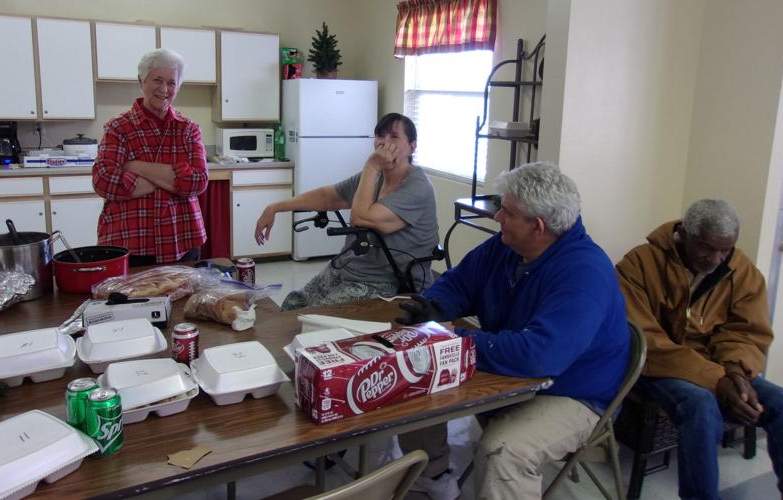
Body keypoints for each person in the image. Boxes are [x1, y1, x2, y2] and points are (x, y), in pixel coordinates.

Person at [395, 162, 629, 500]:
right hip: (519, 370)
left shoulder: (584, 273)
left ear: (537, 226)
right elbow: (461, 282)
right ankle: (433, 476)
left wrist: (454, 340)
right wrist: (435, 308)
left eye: (506, 211)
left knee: (504, 450)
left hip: (573, 392)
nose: (497, 217)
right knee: (419, 374)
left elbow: (540, 355)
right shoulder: (508, 246)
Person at [616, 199, 783, 500]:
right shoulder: (639, 264)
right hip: (659, 365)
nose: (716, 259)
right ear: (684, 234)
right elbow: (645, 339)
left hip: (720, 365)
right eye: (706, 247)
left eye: (725, 250)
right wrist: (717, 379)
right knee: (700, 407)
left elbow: (746, 332)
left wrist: (736, 372)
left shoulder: (742, 271)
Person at [254, 113, 438, 310]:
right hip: (348, 268)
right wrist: (275, 207)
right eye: (380, 136)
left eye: (394, 137)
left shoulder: (416, 187)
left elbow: (360, 218)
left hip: (388, 282)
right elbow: (329, 197)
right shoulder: (372, 177)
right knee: (293, 304)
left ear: (412, 146)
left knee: (314, 318)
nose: (385, 144)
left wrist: (372, 165)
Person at [92, 48, 208, 267]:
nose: (164, 89)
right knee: (132, 301)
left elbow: (198, 181)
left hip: (181, 238)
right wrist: (172, 181)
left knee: (183, 300)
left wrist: (135, 167)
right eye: (157, 80)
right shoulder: (118, 128)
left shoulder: (188, 128)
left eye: (172, 83)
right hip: (130, 241)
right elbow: (104, 181)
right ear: (141, 81)